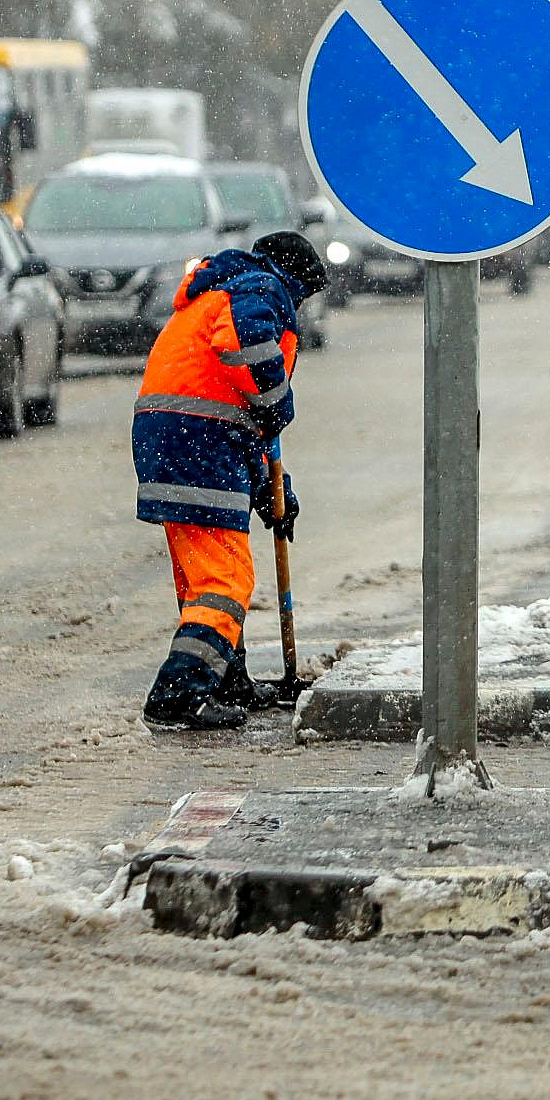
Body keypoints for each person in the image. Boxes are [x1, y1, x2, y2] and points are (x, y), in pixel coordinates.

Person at [133, 231, 327, 731]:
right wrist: (277, 398)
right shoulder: (260, 288)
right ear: (296, 278)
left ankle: (224, 680)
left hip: (177, 436)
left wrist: (270, 487)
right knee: (226, 581)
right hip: (200, 438)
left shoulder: (223, 289)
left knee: (202, 580)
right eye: (304, 294)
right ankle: (177, 695)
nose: (301, 307)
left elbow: (233, 403)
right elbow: (247, 346)